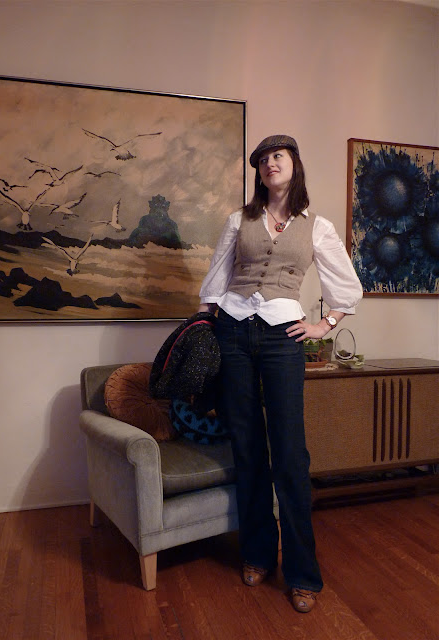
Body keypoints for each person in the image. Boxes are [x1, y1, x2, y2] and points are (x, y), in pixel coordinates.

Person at [198, 134, 363, 613]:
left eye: (278, 156)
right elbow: (215, 282)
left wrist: (323, 325)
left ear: (294, 165)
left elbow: (346, 288)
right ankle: (256, 553)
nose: (270, 163)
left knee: (290, 453)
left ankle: (302, 573)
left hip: (282, 338)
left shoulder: (317, 227)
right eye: (263, 160)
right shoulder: (239, 220)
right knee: (247, 447)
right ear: (258, 173)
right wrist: (204, 330)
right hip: (233, 333)